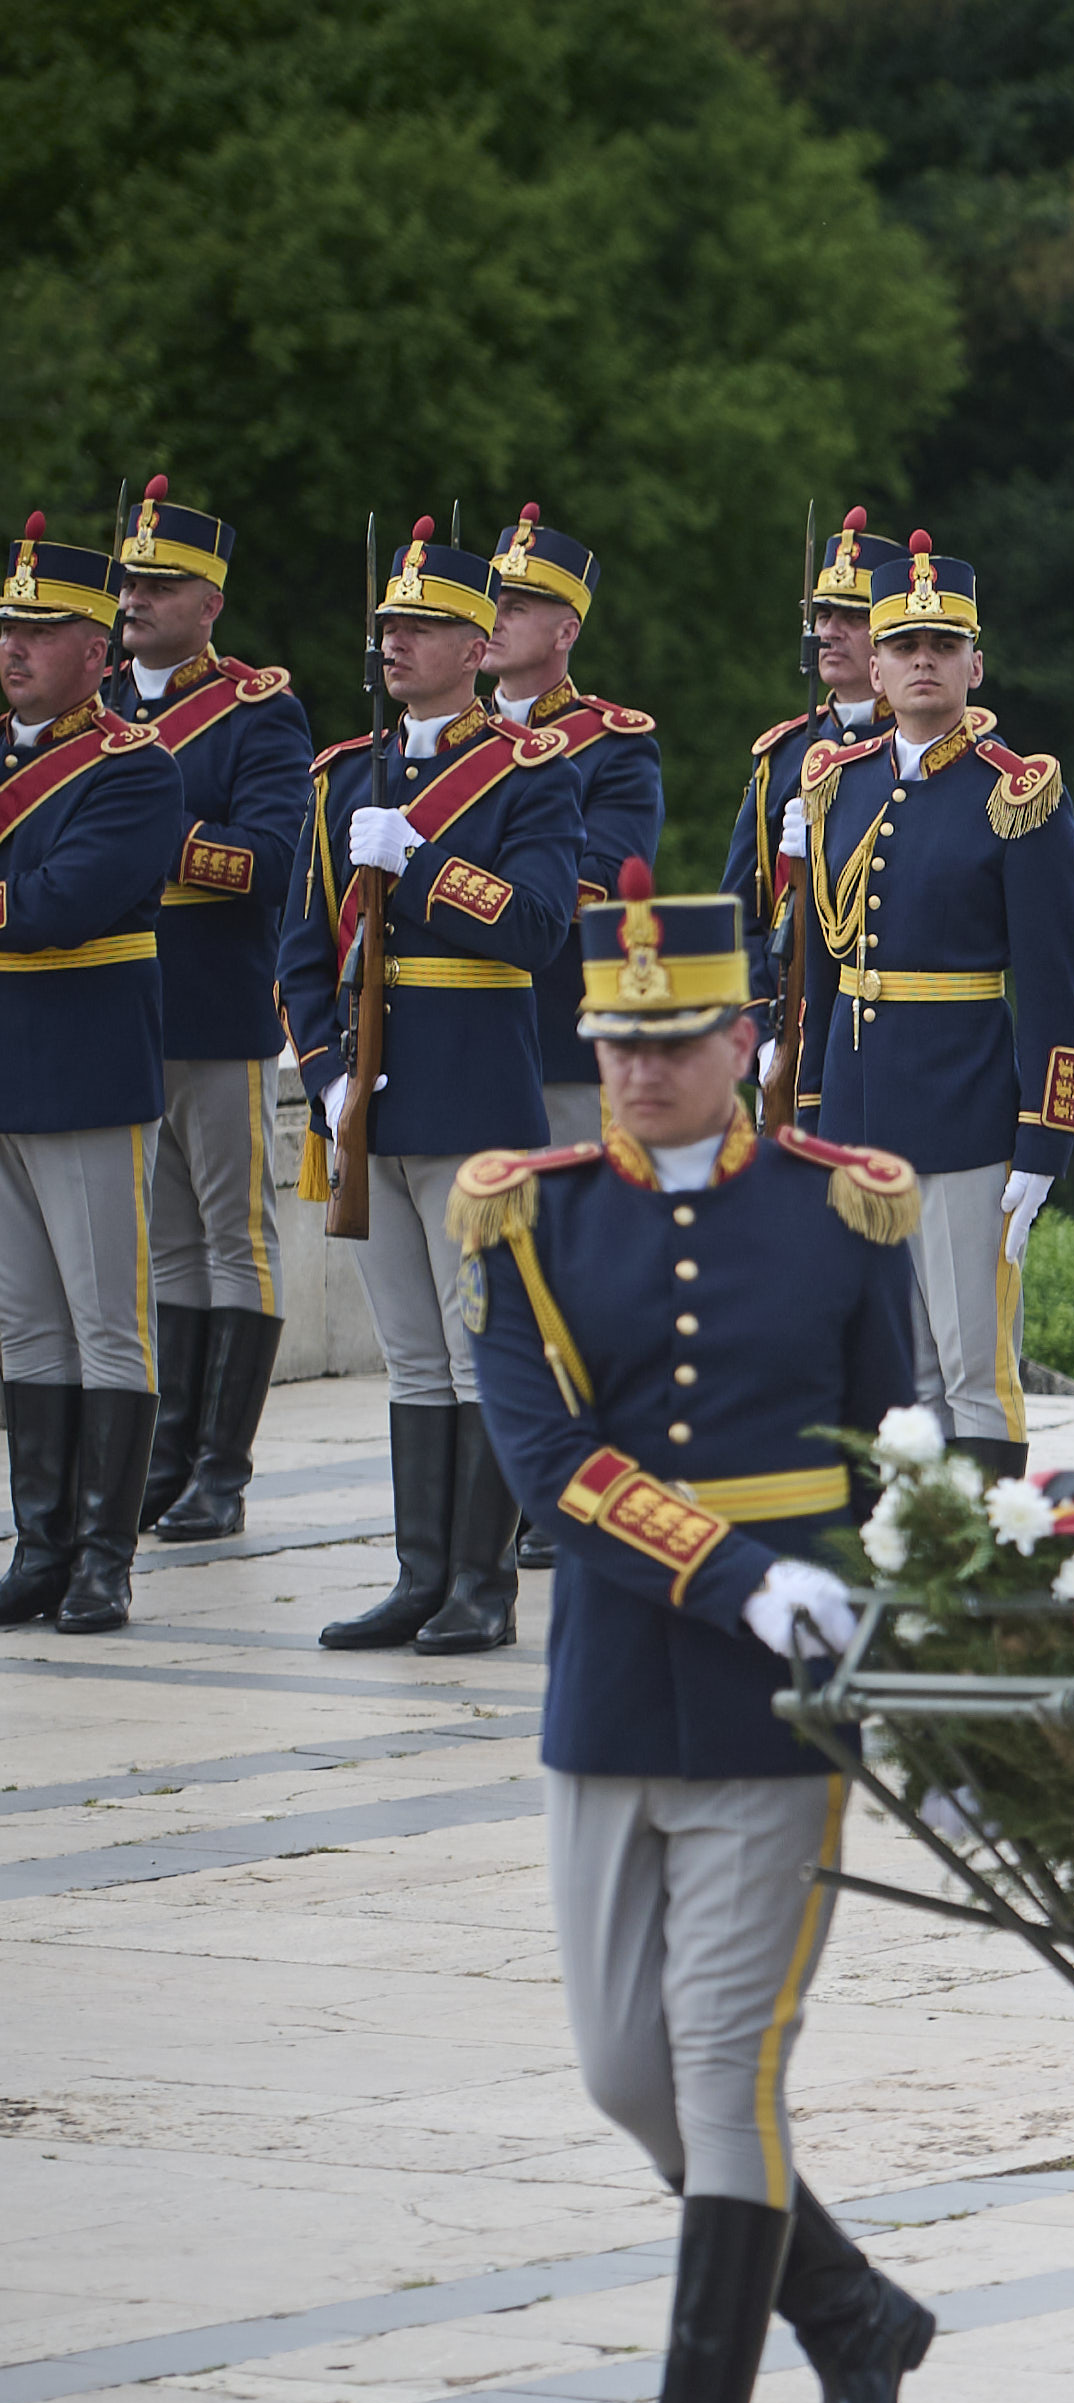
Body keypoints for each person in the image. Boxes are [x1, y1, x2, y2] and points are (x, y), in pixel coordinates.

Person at [454, 864, 939, 2403]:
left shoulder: (843, 1208)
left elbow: (892, 1444)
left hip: (778, 1712)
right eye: (616, 1041)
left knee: (725, 2078)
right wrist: (740, 1575)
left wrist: (888, 1608)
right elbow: (548, 1466)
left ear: (746, 1041)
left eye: (673, 1041)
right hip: (616, 1681)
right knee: (623, 2075)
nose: (639, 1068)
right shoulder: (528, 1217)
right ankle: (852, 2307)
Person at [282, 521, 579, 1655]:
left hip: (473, 1095)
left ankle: (481, 1587)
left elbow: (540, 929)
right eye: (389, 626)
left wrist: (423, 863)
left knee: (476, 1350)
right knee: (412, 1354)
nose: (395, 643)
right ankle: (420, 1576)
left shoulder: (529, 774)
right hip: (372, 1104)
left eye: (422, 626)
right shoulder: (339, 777)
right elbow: (301, 957)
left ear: (476, 647)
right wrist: (327, 1079)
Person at [779, 532, 1074, 1476]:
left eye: (943, 646)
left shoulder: (1017, 794)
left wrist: (1043, 1140)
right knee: (886, 1372)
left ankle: (980, 1556)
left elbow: (1053, 987)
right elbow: (824, 973)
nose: (924, 660)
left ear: (973, 666)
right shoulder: (837, 784)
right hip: (856, 1117)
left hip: (965, 1117)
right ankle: (900, 1548)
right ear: (873, 667)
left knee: (972, 1371)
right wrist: (809, 1115)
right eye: (905, 645)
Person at [110, 480, 312, 1549]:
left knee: (235, 1237)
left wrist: (149, 836)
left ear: (210, 603)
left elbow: (273, 860)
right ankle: (168, 1456)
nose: (134, 598)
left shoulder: (256, 711)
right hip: (114, 999)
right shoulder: (95, 703)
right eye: (129, 580)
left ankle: (222, 1470)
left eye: (160, 584)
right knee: (167, 1244)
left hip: (213, 996)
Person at [0, 515, 189, 1634]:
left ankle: (105, 1560)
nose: (13, 647)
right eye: (6, 628)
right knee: (25, 1323)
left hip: (86, 1064)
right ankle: (42, 1546)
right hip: (8, 1067)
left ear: (94, 650)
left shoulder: (134, 768)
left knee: (107, 1321)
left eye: (39, 630)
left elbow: (61, 905)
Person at [481, 506, 661, 1157]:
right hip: (453, 1038)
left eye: (516, 607)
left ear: (566, 630)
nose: (494, 618)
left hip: (557, 1035)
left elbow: (604, 886)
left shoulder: (614, 746)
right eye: (491, 602)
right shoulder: (448, 739)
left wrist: (457, 879)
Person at [725, 512, 898, 1128]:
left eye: (852, 617)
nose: (830, 631)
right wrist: (760, 1030)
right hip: (791, 1030)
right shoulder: (783, 756)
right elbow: (739, 914)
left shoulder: (921, 750)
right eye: (823, 615)